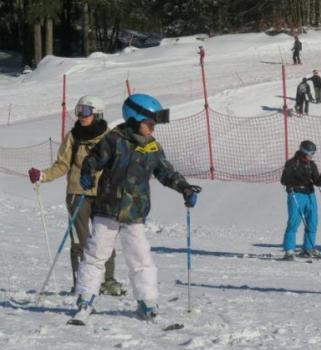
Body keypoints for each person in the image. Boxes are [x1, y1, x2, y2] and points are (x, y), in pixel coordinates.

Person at [69, 93, 202, 324]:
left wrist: (185, 189)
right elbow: (92, 160)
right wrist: (87, 175)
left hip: (135, 213)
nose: (152, 129)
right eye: (149, 124)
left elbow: (166, 172)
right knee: (95, 255)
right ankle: (85, 299)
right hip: (107, 209)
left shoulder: (153, 148)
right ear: (133, 119)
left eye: (154, 125)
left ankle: (147, 302)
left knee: (141, 258)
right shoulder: (114, 139)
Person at [28, 96, 125, 296]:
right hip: (77, 194)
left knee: (104, 239)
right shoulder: (73, 136)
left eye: (86, 111)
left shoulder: (109, 137)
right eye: (79, 110)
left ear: (97, 113)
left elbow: (117, 166)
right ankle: (80, 283)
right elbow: (62, 165)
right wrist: (43, 175)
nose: (81, 115)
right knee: (80, 240)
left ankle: (108, 280)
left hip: (102, 194)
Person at [280, 140, 321, 260]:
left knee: (312, 222)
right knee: (293, 222)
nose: (312, 155)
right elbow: (284, 180)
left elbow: (316, 181)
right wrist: (292, 184)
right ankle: (289, 250)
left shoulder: (311, 165)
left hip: (310, 195)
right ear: (304, 151)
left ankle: (308, 248)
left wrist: (320, 180)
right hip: (296, 194)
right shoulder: (292, 163)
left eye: (313, 153)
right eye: (311, 153)